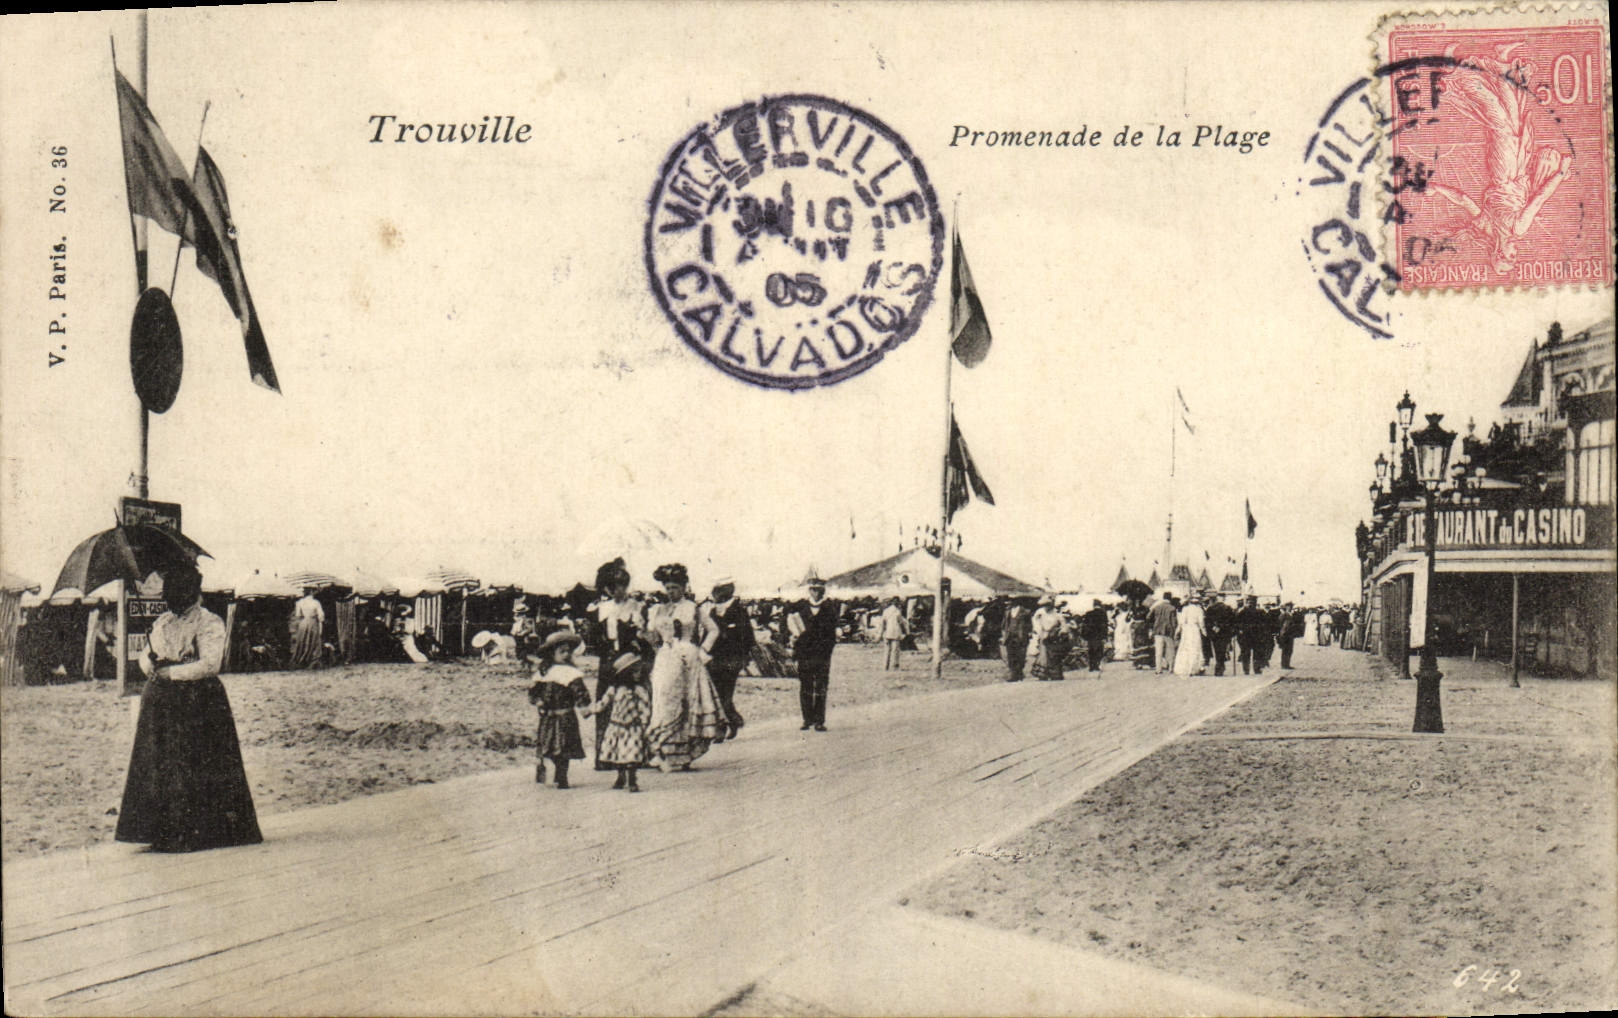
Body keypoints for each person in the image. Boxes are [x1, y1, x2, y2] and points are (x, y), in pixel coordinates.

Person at [116, 563, 262, 852]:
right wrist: (152, 665)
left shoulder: (209, 622)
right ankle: (162, 829)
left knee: (195, 758)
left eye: (178, 591)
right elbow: (145, 658)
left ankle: (202, 830)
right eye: (169, 593)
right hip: (162, 701)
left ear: (192, 592)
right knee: (163, 760)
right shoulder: (163, 623)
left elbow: (210, 664)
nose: (172, 599)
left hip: (199, 701)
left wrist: (176, 672)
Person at [646, 563, 724, 769]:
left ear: (684, 587)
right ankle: (665, 750)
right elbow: (651, 635)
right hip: (665, 658)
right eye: (668, 588)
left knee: (687, 701)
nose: (671, 592)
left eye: (675, 588)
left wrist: (702, 650)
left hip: (688, 657)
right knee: (663, 700)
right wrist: (656, 646)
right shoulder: (658, 610)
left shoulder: (693, 608)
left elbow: (713, 630)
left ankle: (685, 753)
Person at [591, 558, 644, 770]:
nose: (617, 592)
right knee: (606, 701)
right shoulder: (602, 608)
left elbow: (642, 635)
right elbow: (594, 637)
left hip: (629, 659)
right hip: (607, 659)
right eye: (612, 588)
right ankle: (604, 755)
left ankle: (634, 754)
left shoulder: (637, 607)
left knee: (630, 702)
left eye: (621, 587)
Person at [527, 630, 591, 788]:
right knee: (548, 746)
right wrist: (538, 701)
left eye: (568, 651)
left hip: (565, 716)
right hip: (549, 717)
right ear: (551, 653)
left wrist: (583, 706)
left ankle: (562, 776)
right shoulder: (544, 673)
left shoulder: (572, 673)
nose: (566, 654)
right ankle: (552, 772)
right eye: (561, 651)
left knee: (564, 748)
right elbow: (534, 692)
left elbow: (580, 692)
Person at [584, 651, 652, 791]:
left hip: (633, 727)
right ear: (625, 674)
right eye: (634, 672)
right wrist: (591, 710)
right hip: (616, 726)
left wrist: (645, 723)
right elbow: (603, 703)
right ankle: (621, 777)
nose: (638, 674)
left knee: (632, 754)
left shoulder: (639, 690)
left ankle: (632, 779)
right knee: (619, 753)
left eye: (639, 671)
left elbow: (645, 707)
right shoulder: (614, 689)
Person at [701, 577, 754, 741]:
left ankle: (724, 726)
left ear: (726, 592)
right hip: (715, 658)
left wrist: (743, 656)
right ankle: (732, 721)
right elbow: (706, 633)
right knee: (715, 693)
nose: (714, 595)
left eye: (717, 591)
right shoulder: (713, 611)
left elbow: (748, 637)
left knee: (725, 694)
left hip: (732, 659)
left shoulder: (739, 610)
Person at [788, 574, 839, 730]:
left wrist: (829, 646)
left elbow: (833, 631)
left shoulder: (829, 608)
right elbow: (788, 621)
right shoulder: (800, 606)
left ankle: (819, 720)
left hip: (823, 653)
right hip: (805, 652)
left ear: (823, 591)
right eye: (813, 590)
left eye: (819, 590)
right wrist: (793, 638)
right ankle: (807, 719)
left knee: (821, 686)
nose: (816, 593)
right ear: (809, 590)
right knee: (805, 685)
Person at [1029, 597, 1069, 681]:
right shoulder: (1040, 614)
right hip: (1043, 635)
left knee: (1053, 655)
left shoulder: (1057, 615)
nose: (1046, 607)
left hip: (1054, 637)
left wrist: (1061, 631)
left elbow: (1064, 625)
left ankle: (1055, 674)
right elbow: (1035, 622)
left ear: (1051, 606)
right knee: (1044, 655)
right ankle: (1043, 674)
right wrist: (1038, 630)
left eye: (1047, 605)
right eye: (1044, 606)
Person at [290, 587, 325, 669]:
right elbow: (321, 616)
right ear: (312, 592)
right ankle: (313, 662)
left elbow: (298, 615)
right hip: (312, 622)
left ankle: (302, 661)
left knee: (303, 641)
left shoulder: (299, 602)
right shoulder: (316, 602)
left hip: (303, 623)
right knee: (314, 641)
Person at [1173, 595, 1208, 676]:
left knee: (1185, 648)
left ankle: (1184, 668)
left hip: (1187, 630)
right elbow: (1201, 622)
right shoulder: (1199, 610)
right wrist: (1204, 632)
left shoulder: (1185, 609)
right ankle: (1195, 668)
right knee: (1195, 648)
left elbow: (1181, 622)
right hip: (1195, 629)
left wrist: (1178, 631)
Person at [1204, 596, 1236, 676]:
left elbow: (1207, 621)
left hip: (1215, 633)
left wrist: (1213, 628)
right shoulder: (1228, 608)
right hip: (1225, 632)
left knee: (1217, 649)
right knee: (1223, 649)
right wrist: (1231, 632)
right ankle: (1220, 665)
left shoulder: (1210, 609)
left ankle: (1219, 665)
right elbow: (1232, 621)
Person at [1001, 599, 1032, 681]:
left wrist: (1028, 632)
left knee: (1021, 655)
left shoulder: (1025, 612)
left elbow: (1029, 625)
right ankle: (1013, 674)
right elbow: (1004, 625)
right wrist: (1004, 635)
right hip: (1010, 636)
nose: (1008, 603)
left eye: (1011, 601)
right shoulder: (1007, 612)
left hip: (1021, 636)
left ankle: (1019, 672)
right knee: (1011, 655)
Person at [1149, 594, 1180, 675]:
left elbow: (1149, 618)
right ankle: (1170, 667)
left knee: (1158, 651)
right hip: (1168, 631)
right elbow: (1174, 622)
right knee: (1170, 650)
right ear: (1170, 599)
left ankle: (1158, 669)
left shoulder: (1157, 607)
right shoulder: (1172, 608)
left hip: (1157, 631)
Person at [1235, 596, 1265, 675]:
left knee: (1253, 653)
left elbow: (1264, 624)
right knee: (1249, 653)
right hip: (1249, 636)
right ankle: (1251, 669)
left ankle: (1251, 669)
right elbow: (1237, 623)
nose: (1251, 603)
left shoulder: (1259, 612)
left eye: (1253, 601)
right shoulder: (1244, 612)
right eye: (1250, 601)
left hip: (1252, 636)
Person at [1079, 600, 1110, 675]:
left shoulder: (1088, 613)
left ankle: (1091, 666)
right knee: (1099, 650)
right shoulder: (1103, 614)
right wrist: (1105, 635)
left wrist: (1084, 635)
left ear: (1093, 605)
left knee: (1091, 650)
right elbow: (1105, 625)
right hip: (1099, 635)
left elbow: (1084, 625)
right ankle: (1096, 665)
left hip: (1091, 635)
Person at [878, 596, 908, 671]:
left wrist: (880, 634)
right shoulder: (897, 611)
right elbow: (901, 622)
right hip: (895, 633)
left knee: (887, 650)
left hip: (887, 633)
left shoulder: (886, 611)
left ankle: (885, 666)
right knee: (895, 650)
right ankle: (895, 666)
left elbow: (882, 623)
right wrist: (906, 631)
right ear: (897, 603)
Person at [1277, 602, 1301, 670]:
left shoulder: (1291, 614)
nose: (1290, 607)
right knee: (1285, 650)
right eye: (1288, 606)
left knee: (1290, 650)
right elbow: (1279, 624)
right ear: (1286, 607)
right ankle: (1284, 664)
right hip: (1285, 634)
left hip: (1290, 634)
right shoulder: (1284, 615)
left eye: (1291, 606)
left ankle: (1287, 664)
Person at [1129, 604, 1154, 670]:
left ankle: (1138, 663)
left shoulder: (1134, 623)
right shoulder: (1145, 623)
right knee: (1144, 648)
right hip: (1143, 634)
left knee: (1137, 648)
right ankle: (1145, 662)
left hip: (1137, 636)